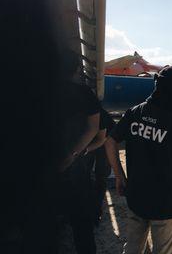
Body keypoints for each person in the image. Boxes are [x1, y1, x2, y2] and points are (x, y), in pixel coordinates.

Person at [105, 65, 172, 254]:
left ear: (156, 85)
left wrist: (120, 176)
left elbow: (109, 142)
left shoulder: (135, 112)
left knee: (132, 248)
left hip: (136, 198)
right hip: (164, 205)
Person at [57, 51, 103, 254]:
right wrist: (73, 154)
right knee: (82, 227)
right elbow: (93, 128)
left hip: (45, 166)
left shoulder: (40, 92)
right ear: (77, 69)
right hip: (76, 170)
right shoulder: (84, 93)